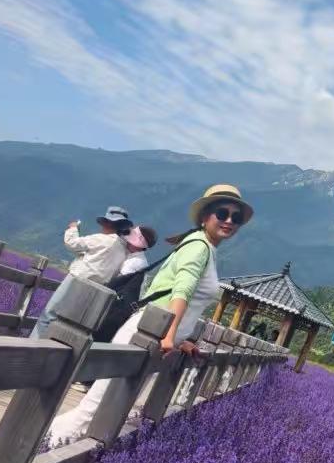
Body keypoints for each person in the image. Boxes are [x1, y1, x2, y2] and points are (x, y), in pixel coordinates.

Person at [46, 183, 253, 446]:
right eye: (222, 213)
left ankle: (52, 462)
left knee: (112, 411)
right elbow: (182, 291)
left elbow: (186, 301)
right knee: (95, 409)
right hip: (148, 333)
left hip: (158, 335)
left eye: (236, 217)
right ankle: (39, 449)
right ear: (205, 216)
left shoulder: (205, 247)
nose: (229, 220)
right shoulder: (199, 245)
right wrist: (170, 335)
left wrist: (181, 340)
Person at [30, 205, 133, 339]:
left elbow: (72, 243)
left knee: (50, 314)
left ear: (106, 223)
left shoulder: (100, 238)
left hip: (77, 281)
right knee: (72, 323)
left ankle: (34, 343)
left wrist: (73, 228)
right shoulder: (123, 249)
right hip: (97, 290)